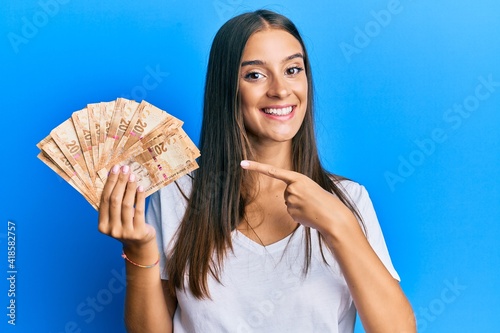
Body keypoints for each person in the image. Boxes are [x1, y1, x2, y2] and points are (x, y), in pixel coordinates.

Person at [98, 9, 416, 333]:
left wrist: (339, 225)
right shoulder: (177, 195)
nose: (280, 90)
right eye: (255, 75)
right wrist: (138, 252)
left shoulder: (349, 199)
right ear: (227, 88)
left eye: (293, 69)